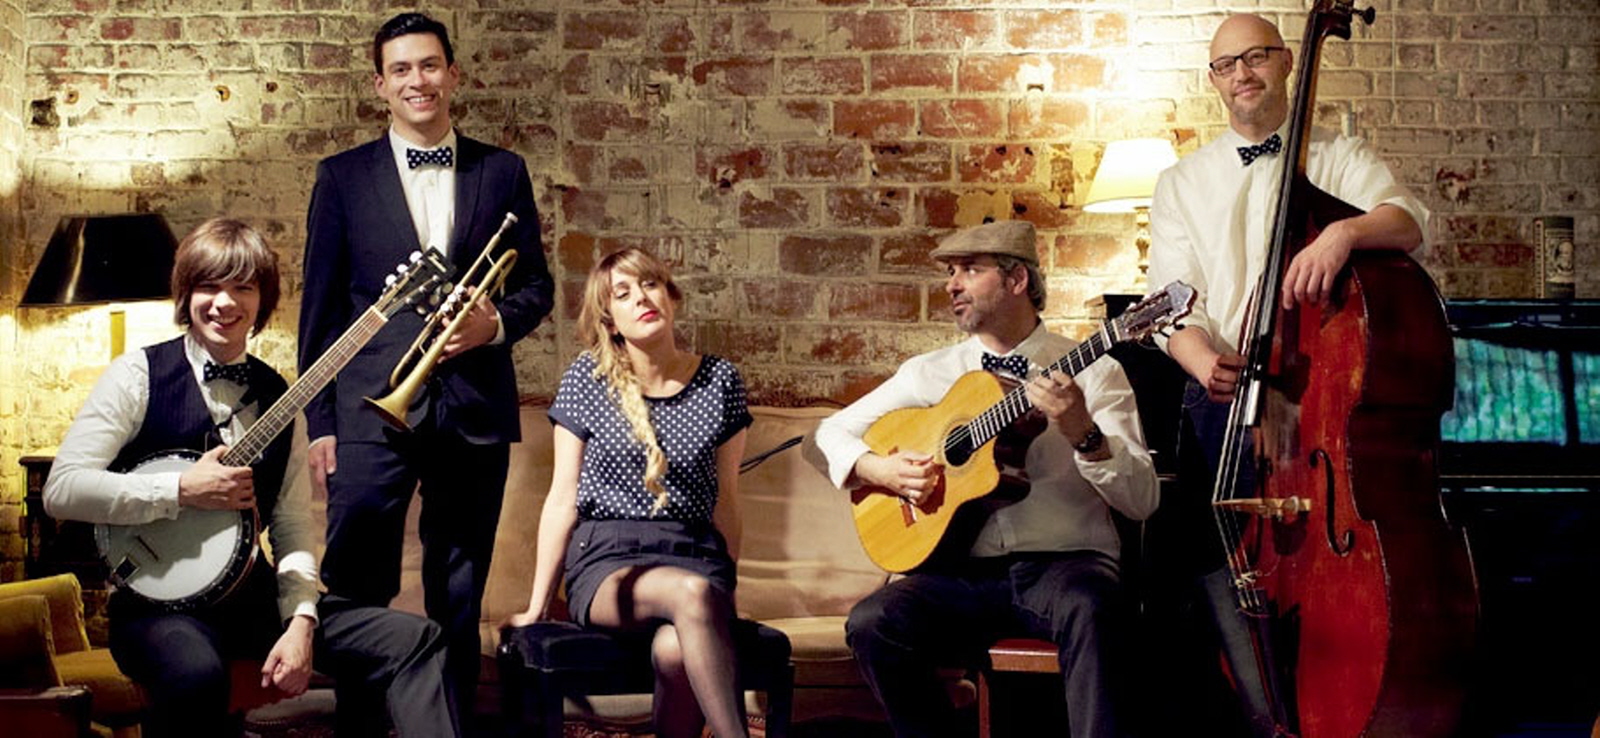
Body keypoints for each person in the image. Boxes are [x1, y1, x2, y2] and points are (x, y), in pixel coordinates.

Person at [44, 218, 459, 738]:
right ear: (186, 293)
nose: (225, 303)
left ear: (262, 301)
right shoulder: (137, 376)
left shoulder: (282, 398)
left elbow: (292, 528)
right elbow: (62, 489)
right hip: (156, 609)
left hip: (252, 601)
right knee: (196, 673)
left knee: (413, 639)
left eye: (243, 287)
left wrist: (301, 623)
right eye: (208, 286)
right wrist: (178, 489)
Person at [1143, 13, 1430, 737]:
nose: (1243, 74)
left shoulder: (1338, 157)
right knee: (1218, 563)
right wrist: (1198, 356)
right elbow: (1172, 303)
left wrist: (1343, 232)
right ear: (1214, 81)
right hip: (1223, 396)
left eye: (1257, 57)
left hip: (1316, 397)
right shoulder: (1181, 182)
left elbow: (1407, 223)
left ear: (1285, 63)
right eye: (1227, 65)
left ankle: (1332, 711)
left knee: (1322, 565)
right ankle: (1263, 716)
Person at [297, 11, 555, 723]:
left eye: (430, 65)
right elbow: (319, 310)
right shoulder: (342, 177)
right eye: (402, 69)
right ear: (380, 85)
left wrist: (493, 325)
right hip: (368, 409)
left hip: (472, 407)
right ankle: (360, 729)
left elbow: (537, 285)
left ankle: (450, 726)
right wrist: (321, 422)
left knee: (460, 589)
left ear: (454, 74)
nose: (419, 80)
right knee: (356, 582)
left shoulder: (502, 171)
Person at [812, 220, 1160, 738]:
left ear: (1017, 280)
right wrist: (879, 469)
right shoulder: (929, 373)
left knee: (1094, 609)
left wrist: (1084, 433)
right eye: (951, 272)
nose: (952, 285)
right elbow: (824, 436)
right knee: (873, 623)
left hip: (1064, 566)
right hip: (960, 574)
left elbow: (1142, 500)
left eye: (970, 270)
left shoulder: (1095, 372)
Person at [505, 247, 754, 738]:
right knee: (691, 593)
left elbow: (727, 500)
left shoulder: (720, 381)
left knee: (675, 650)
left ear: (672, 298)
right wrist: (537, 606)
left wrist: (727, 596)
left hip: (695, 556)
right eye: (623, 293)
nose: (641, 298)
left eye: (650, 284)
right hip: (608, 564)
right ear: (610, 321)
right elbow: (563, 497)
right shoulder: (587, 380)